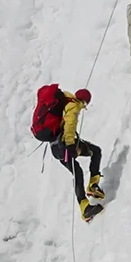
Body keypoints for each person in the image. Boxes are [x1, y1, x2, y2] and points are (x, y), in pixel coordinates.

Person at [31, 83, 105, 220]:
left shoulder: (64, 99)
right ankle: (88, 198)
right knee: (92, 154)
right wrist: (70, 146)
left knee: (83, 163)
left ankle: (88, 197)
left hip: (56, 147)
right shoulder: (73, 105)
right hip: (63, 146)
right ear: (84, 101)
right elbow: (70, 125)